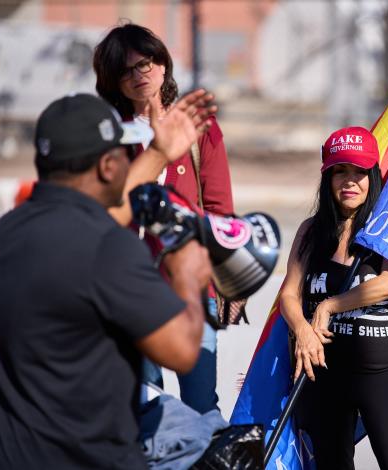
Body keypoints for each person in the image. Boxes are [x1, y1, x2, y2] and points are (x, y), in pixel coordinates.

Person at [0, 92, 215, 470]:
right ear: (109, 166)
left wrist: (158, 152)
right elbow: (182, 351)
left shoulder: (9, 229)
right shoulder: (110, 248)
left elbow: (100, 212)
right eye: (125, 154)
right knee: (197, 432)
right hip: (74, 458)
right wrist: (188, 277)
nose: (128, 161)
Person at [93, 23, 233, 414]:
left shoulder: (197, 128)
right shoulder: (107, 139)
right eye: (126, 70)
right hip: (129, 293)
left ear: (163, 64)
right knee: (144, 406)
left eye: (148, 63)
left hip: (193, 291)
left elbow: (221, 211)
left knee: (202, 406)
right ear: (112, 82)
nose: (141, 75)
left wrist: (229, 283)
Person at [279, 127, 388, 470]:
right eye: (340, 171)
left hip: (384, 373)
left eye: (360, 172)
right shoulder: (311, 231)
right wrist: (301, 328)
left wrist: (330, 305)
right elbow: (288, 293)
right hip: (326, 373)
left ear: (373, 176)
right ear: (327, 177)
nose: (350, 181)